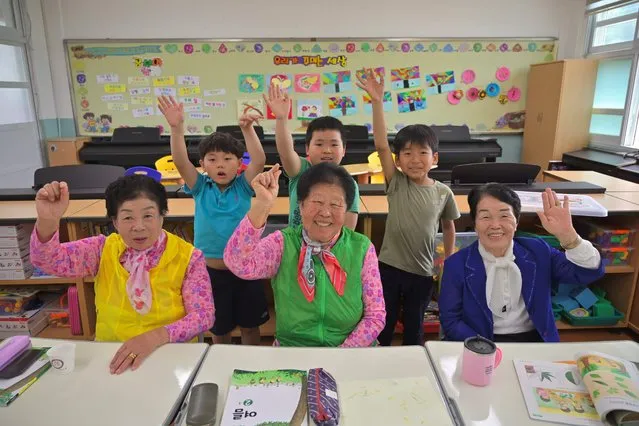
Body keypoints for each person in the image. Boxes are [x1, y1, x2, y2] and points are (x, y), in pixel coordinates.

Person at [29, 175, 214, 374]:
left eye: (148, 216)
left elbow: (203, 315)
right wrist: (48, 220)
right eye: (127, 218)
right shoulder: (101, 250)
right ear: (115, 222)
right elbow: (47, 261)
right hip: (112, 355)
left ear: (162, 215)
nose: (139, 226)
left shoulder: (189, 257)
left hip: (171, 355)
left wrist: (155, 337)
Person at [223, 163, 385, 347]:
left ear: (346, 209)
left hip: (351, 350)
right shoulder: (283, 244)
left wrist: (343, 353)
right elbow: (238, 263)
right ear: (300, 205)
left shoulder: (361, 248)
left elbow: (376, 315)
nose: (325, 212)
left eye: (335, 205)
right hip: (293, 349)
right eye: (317, 202)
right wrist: (262, 204)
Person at [357, 68, 460, 346]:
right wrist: (377, 102)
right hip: (389, 267)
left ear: (434, 157)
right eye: (407, 153)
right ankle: (380, 363)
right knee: (384, 322)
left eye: (422, 153)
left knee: (415, 327)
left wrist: (448, 260)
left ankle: (413, 367)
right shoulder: (397, 182)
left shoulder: (442, 192)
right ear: (398, 160)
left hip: (423, 272)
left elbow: (449, 226)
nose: (415, 159)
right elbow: (380, 144)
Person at [158, 96, 268, 345]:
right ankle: (222, 368)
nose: (220, 165)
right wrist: (176, 129)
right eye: (212, 159)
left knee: (250, 328)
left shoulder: (244, 186)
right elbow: (179, 161)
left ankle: (252, 370)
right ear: (203, 165)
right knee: (219, 330)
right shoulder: (200, 187)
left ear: (239, 163)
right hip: (210, 274)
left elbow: (259, 160)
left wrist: (247, 128)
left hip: (246, 272)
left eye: (228, 159)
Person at [439, 184, 605, 342]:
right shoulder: (456, 264)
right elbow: (451, 321)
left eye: (504, 216)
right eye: (485, 217)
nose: (495, 225)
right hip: (479, 341)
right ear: (475, 224)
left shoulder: (537, 251)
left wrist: (568, 235)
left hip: (533, 341)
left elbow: (588, 272)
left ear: (516, 222)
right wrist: (484, 348)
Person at [263, 84, 360, 229]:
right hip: (296, 248)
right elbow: (285, 151)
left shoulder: (349, 183)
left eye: (334, 145)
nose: (327, 150)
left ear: (344, 150)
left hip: (330, 250)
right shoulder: (301, 170)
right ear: (308, 148)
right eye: (319, 144)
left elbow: (348, 231)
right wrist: (281, 118)